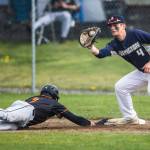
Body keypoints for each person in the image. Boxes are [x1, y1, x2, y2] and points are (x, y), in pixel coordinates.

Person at [89, 16, 150, 125]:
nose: (112, 27)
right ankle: (130, 117)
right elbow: (100, 54)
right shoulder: (114, 44)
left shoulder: (135, 34)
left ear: (123, 26)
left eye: (115, 24)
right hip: (144, 72)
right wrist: (91, 47)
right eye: (110, 26)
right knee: (121, 87)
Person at [0, 84, 95, 130]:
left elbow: (43, 110)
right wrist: (87, 123)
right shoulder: (54, 103)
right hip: (26, 109)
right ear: (54, 94)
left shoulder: (36, 98)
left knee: (10, 126)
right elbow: (73, 117)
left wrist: (56, 113)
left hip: (24, 118)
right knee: (7, 115)